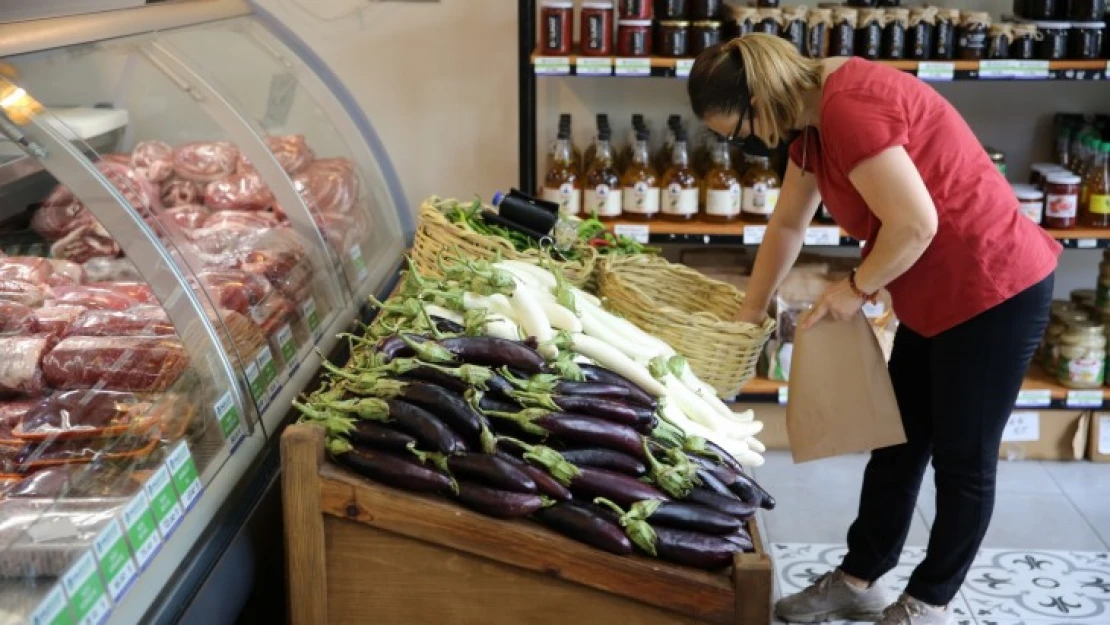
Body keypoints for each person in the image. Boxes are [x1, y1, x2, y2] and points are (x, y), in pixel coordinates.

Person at [687, 35, 1060, 625]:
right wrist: (749, 313)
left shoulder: (848, 106)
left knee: (963, 460)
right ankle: (859, 580)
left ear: (760, 97)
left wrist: (854, 288)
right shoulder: (808, 126)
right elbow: (787, 224)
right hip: (931, 293)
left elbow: (915, 224)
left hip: (994, 286)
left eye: (739, 129)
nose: (748, 143)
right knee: (896, 442)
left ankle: (929, 601)